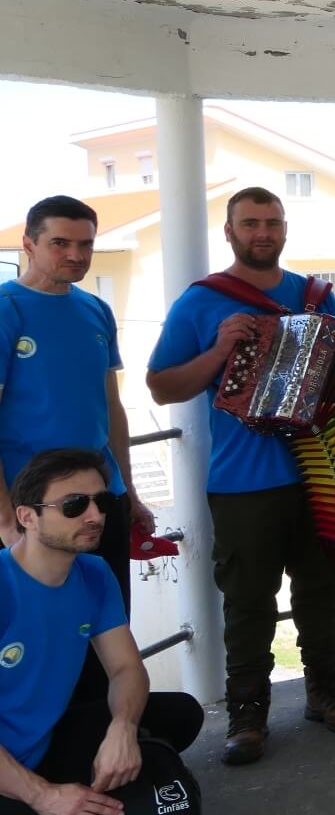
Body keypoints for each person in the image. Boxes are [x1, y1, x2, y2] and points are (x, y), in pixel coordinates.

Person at [147, 186, 335, 764]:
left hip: (318, 474)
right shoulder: (201, 302)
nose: (262, 232)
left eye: (272, 222)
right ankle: (247, 716)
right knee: (248, 604)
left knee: (319, 590)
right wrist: (218, 351)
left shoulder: (318, 298)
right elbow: (162, 386)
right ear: (230, 232)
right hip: (242, 482)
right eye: (250, 223)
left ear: (285, 229)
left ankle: (328, 692)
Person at [1, 196, 150, 708]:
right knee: (39, 642)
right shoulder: (7, 309)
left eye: (86, 244)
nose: (75, 255)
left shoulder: (95, 309)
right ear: (29, 243)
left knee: (110, 626)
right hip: (35, 511)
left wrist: (128, 494)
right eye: (60, 243)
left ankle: (116, 736)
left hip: (100, 500)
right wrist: (7, 520)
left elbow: (111, 408)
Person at [0, 449, 203, 815]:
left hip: (42, 741)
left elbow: (126, 668)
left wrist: (123, 729)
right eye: (74, 505)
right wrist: (43, 796)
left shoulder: (94, 574)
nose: (95, 516)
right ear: (27, 517)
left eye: (103, 502)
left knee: (181, 714)